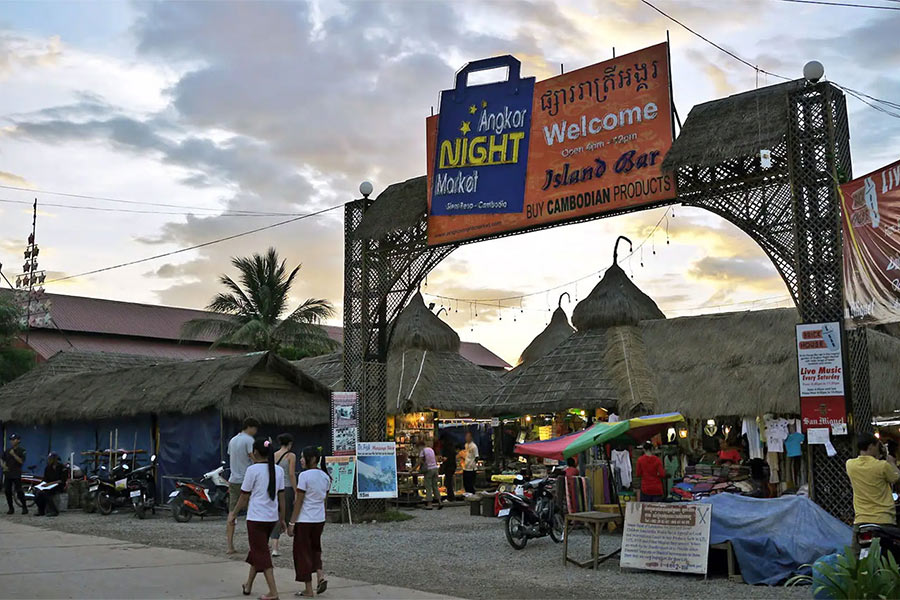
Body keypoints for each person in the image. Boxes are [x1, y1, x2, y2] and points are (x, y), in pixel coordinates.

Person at [228, 437, 285, 600]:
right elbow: (281, 498)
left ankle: (273, 592)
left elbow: (244, 496)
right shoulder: (278, 470)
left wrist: (234, 513)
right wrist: (282, 519)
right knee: (257, 550)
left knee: (262, 553)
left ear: (255, 452)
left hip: (256, 518)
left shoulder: (252, 471)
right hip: (271, 518)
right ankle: (248, 584)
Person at [846, 432, 900, 553]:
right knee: (890, 557)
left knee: (856, 559)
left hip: (861, 521)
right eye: (877, 445)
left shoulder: (850, 465)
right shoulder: (882, 466)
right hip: (884, 520)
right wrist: (891, 462)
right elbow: (896, 477)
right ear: (871, 447)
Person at [288, 446, 331, 598]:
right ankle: (320, 575)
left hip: (304, 520)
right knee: (315, 548)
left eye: (302, 457)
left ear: (311, 459)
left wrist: (292, 523)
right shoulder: (325, 477)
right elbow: (324, 499)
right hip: (319, 519)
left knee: (302, 553)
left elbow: (299, 502)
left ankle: (308, 588)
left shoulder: (304, 476)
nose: (300, 459)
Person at [227, 417, 259, 554]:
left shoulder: (233, 440)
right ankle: (255, 545)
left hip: (233, 479)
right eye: (255, 429)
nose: (255, 432)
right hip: (247, 480)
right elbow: (252, 457)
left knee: (232, 512)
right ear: (250, 427)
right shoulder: (249, 440)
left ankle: (230, 546)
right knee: (253, 513)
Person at [270, 433, 297, 557]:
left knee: (277, 515)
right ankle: (298, 544)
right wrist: (297, 490)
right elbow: (291, 474)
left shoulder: (274, 455)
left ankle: (275, 548)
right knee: (290, 515)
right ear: (290, 444)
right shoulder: (291, 456)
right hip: (287, 488)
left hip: (276, 488)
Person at [34, 452, 66, 517]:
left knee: (46, 493)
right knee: (37, 492)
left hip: (58, 485)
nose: (49, 460)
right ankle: (41, 510)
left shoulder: (62, 467)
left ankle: (54, 510)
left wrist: (49, 484)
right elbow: (45, 479)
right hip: (48, 485)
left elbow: (62, 480)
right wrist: (41, 485)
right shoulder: (48, 468)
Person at [2, 433, 27, 515]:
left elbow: (21, 461)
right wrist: (3, 466)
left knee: (19, 491)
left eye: (14, 439)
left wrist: (13, 454)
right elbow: (2, 459)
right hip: (8, 473)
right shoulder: (7, 450)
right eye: (11, 440)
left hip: (16, 473)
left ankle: (24, 507)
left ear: (18, 440)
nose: (12, 441)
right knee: (7, 491)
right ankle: (11, 508)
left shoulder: (22, 450)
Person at [416, 438, 441, 510]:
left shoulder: (422, 451)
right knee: (435, 486)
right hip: (435, 469)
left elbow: (419, 462)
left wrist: (412, 470)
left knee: (428, 487)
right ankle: (439, 502)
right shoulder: (431, 449)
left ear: (420, 446)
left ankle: (429, 504)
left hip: (429, 471)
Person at [439, 435, 456, 501]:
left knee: (448, 482)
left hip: (448, 466)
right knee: (449, 482)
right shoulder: (451, 447)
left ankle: (450, 497)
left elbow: (446, 458)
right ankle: (451, 496)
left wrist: (442, 459)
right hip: (452, 466)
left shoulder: (446, 448)